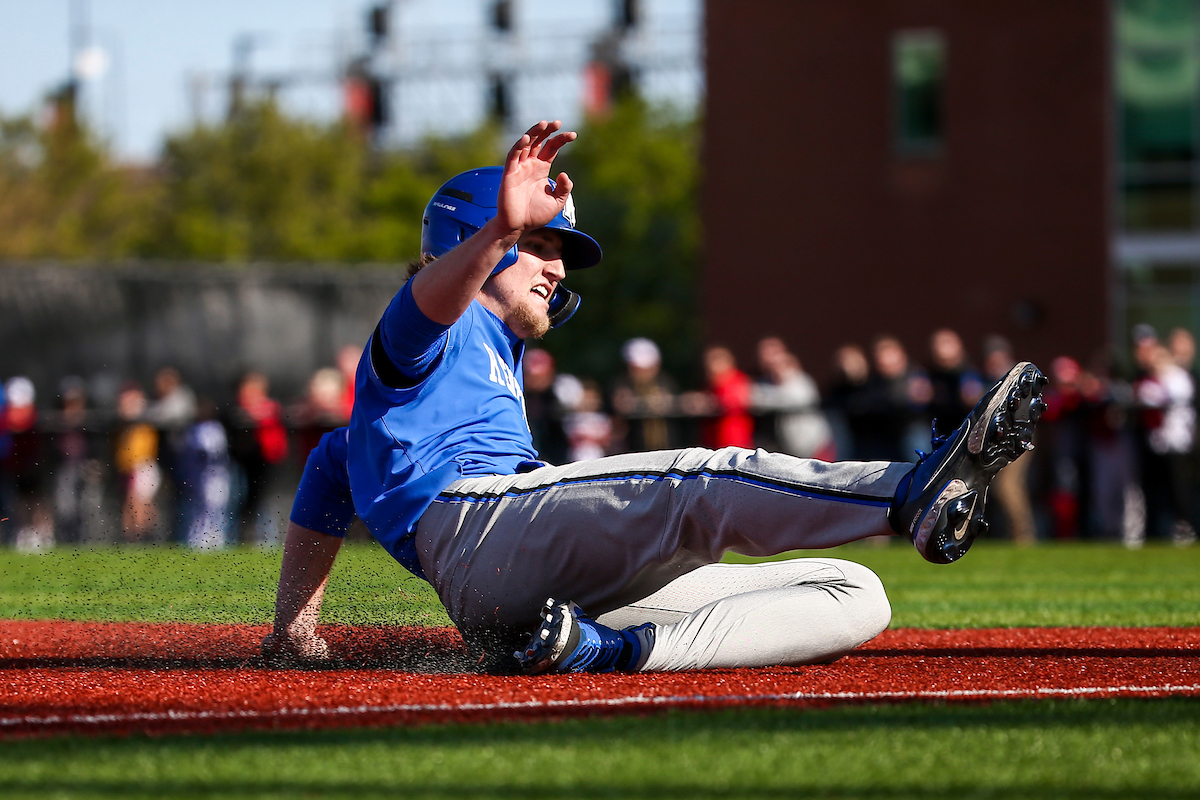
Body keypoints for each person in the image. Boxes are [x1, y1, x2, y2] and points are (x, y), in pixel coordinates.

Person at [263, 121, 1047, 675]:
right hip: (482, 525)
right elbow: (424, 303)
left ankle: (606, 653)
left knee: (857, 595)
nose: (558, 266)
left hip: (528, 586)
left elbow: (331, 470)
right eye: (541, 243)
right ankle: (909, 491)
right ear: (477, 239)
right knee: (695, 482)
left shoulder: (473, 361)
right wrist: (498, 231)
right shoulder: (437, 323)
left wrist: (293, 629)